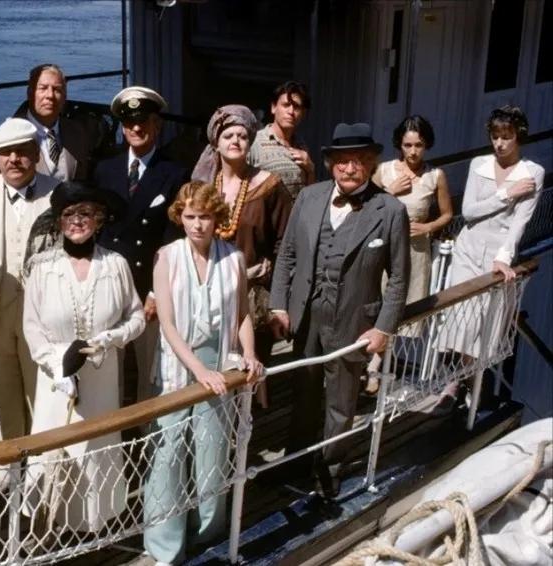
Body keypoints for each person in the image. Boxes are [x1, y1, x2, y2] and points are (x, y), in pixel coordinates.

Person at [270, 123, 410, 498]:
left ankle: (329, 471)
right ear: (331, 163)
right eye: (342, 161)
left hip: (353, 320)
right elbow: (287, 255)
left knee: (341, 402)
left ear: (371, 164)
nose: (350, 168)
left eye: (359, 160)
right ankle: (295, 463)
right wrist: (278, 305)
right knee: (303, 393)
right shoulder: (309, 197)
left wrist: (383, 328)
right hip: (305, 315)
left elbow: (399, 278)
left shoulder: (391, 210)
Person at [143, 180, 262, 565]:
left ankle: (207, 533)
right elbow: (168, 325)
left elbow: (242, 314)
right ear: (180, 217)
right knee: (169, 454)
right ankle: (165, 546)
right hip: (177, 366)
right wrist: (198, 370)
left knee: (213, 452)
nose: (198, 225)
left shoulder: (234, 258)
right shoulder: (166, 257)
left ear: (217, 219)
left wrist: (249, 353)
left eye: (206, 217)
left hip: (220, 363)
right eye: (191, 216)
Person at [22, 181, 144, 531]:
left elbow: (136, 317)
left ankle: (94, 527)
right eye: (69, 214)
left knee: (97, 449)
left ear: (99, 219)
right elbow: (32, 328)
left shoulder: (116, 264)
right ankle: (48, 526)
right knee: (53, 450)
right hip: (55, 379)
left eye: (86, 213)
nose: (77, 221)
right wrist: (57, 368)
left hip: (101, 375)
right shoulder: (41, 268)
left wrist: (110, 338)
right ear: (59, 221)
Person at [435, 106, 542, 408]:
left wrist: (504, 257)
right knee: (461, 319)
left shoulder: (532, 172)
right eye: (495, 136)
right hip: (468, 249)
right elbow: (469, 211)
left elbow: (520, 221)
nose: (499, 143)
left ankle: (468, 383)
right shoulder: (479, 164)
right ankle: (457, 383)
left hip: (497, 254)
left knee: (483, 322)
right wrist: (507, 194)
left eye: (506, 136)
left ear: (518, 136)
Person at [191, 104, 292, 408]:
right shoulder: (203, 187)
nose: (235, 141)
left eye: (242, 136)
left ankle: (251, 429)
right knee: (214, 368)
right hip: (209, 292)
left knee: (251, 373)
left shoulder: (269, 186)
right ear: (216, 142)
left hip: (254, 294)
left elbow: (286, 245)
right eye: (228, 135)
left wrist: (278, 302)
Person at [0, 117, 57, 441]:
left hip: (42, 318)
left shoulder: (57, 193)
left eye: (22, 151)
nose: (14, 159)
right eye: (6, 152)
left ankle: (44, 468)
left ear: (36, 154)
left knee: (43, 402)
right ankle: (9, 470)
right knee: (1, 407)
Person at [94, 86, 188, 405]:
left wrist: (155, 293)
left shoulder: (174, 172)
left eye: (143, 121)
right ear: (122, 127)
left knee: (150, 370)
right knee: (109, 371)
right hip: (110, 286)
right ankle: (113, 431)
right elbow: (99, 232)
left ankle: (149, 432)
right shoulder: (104, 170)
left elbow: (173, 239)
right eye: (129, 122)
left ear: (156, 124)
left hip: (149, 288)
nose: (136, 128)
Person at [365, 115, 453, 394]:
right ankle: (369, 364)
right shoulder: (384, 170)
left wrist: (428, 227)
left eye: (419, 145)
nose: (413, 151)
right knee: (374, 304)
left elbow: (447, 214)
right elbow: (365, 206)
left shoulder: (435, 176)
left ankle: (375, 367)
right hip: (384, 248)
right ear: (399, 145)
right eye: (407, 145)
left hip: (415, 252)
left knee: (398, 310)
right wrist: (390, 191)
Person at [0, 64, 104, 182]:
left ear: (64, 96)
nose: (50, 95)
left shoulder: (80, 133)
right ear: (30, 93)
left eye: (57, 89)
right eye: (43, 88)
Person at [248, 81, 315, 198]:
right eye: (286, 105)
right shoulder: (255, 142)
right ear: (273, 108)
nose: (291, 112)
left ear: (303, 114)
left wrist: (310, 169)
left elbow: (310, 193)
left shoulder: (301, 145)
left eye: (296, 107)